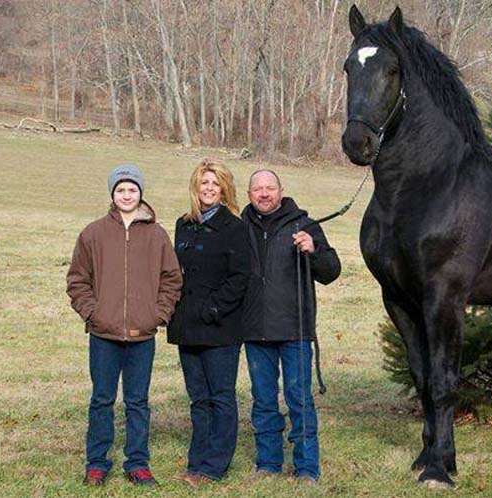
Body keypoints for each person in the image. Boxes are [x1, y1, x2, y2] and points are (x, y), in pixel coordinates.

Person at [65, 164, 182, 487]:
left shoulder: (157, 235)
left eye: (132, 190)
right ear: (112, 195)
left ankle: (138, 462)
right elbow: (77, 280)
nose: (127, 195)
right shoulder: (93, 233)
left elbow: (172, 279)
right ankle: (97, 463)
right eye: (120, 190)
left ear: (140, 193)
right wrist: (93, 313)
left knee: (137, 401)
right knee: (102, 399)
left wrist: (157, 314)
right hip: (104, 334)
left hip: (142, 335)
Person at [241, 169, 341, 483]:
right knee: (264, 400)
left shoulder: (304, 224)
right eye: (258, 189)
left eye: (270, 188)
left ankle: (307, 468)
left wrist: (313, 250)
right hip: (255, 331)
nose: (264, 193)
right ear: (249, 194)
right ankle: (268, 463)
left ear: (281, 191)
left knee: (299, 399)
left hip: (295, 330)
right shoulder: (239, 227)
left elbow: (331, 271)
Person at [166, 159, 250, 487]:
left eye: (215, 184)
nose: (209, 189)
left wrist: (214, 309)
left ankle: (214, 465)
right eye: (204, 184)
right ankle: (196, 460)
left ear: (224, 188)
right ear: (195, 188)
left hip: (220, 327)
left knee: (221, 396)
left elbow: (240, 277)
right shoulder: (183, 224)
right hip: (187, 325)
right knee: (198, 397)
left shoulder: (235, 227)